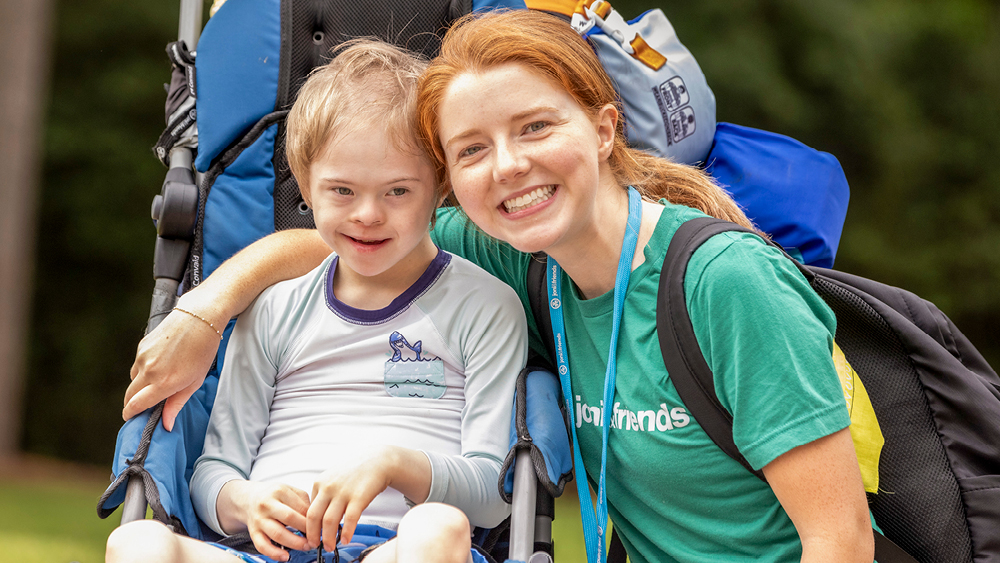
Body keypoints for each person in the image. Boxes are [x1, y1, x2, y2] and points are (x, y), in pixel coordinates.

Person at [122, 11, 875, 563]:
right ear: (454, 182)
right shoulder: (527, 257)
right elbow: (329, 246)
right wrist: (203, 310)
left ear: (606, 128)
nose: (508, 167)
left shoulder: (725, 282)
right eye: (474, 148)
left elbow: (838, 544)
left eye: (536, 128)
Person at [107, 39, 527, 563]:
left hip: (397, 548)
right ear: (305, 187)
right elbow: (214, 473)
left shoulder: (485, 307)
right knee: (136, 542)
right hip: (271, 549)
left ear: (441, 185)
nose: (367, 214)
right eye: (341, 191)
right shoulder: (274, 309)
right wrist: (245, 502)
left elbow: (493, 494)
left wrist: (394, 463)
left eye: (398, 191)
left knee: (438, 528)